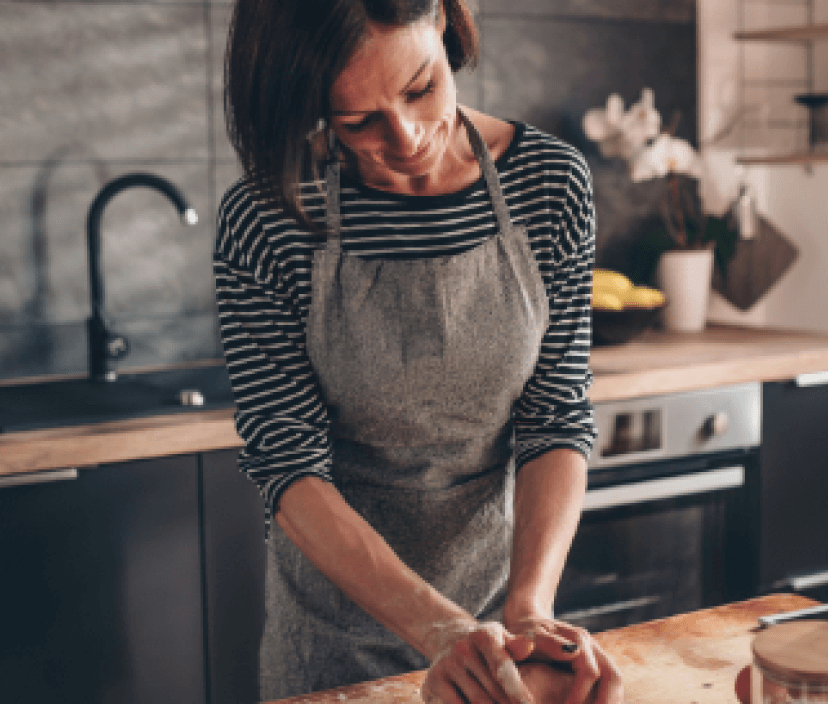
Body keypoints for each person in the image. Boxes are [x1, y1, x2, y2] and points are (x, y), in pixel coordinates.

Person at [213, 0, 623, 702]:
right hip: (331, 647)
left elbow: (555, 419)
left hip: (500, 634)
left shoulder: (550, 184)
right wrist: (437, 628)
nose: (403, 139)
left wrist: (527, 612)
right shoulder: (269, 214)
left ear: (444, 24)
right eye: (357, 121)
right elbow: (288, 464)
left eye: (421, 87)